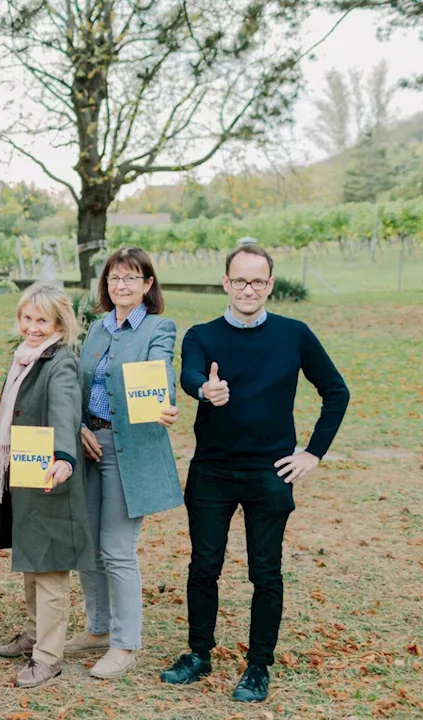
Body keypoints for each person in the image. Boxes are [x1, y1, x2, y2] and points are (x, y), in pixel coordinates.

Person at [161, 243, 349, 703]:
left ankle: (258, 666)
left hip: (270, 471)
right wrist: (205, 389)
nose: (248, 289)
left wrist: (313, 453)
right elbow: (189, 374)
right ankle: (199, 654)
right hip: (212, 471)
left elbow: (336, 392)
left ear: (269, 284)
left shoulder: (294, 334)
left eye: (257, 281)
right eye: (239, 280)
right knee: (205, 566)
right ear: (226, 283)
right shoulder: (202, 335)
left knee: (266, 572)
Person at [67, 248, 182, 680]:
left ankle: (125, 642)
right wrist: (78, 425)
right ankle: (97, 629)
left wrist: (164, 402)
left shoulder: (158, 327)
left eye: (132, 278)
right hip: (88, 445)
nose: (122, 286)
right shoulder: (96, 329)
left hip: (127, 449)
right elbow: (77, 383)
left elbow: (160, 371)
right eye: (115, 278)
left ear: (148, 284)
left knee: (116, 549)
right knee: (88, 548)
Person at [0, 282, 92, 689]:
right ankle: (33, 633)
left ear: (58, 323)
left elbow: (67, 410)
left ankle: (49, 656)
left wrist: (65, 457)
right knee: (32, 559)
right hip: (24, 472)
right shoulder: (26, 358)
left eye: (41, 320)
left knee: (49, 567)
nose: (32, 327)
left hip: (50, 473)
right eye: (27, 318)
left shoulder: (60, 362)